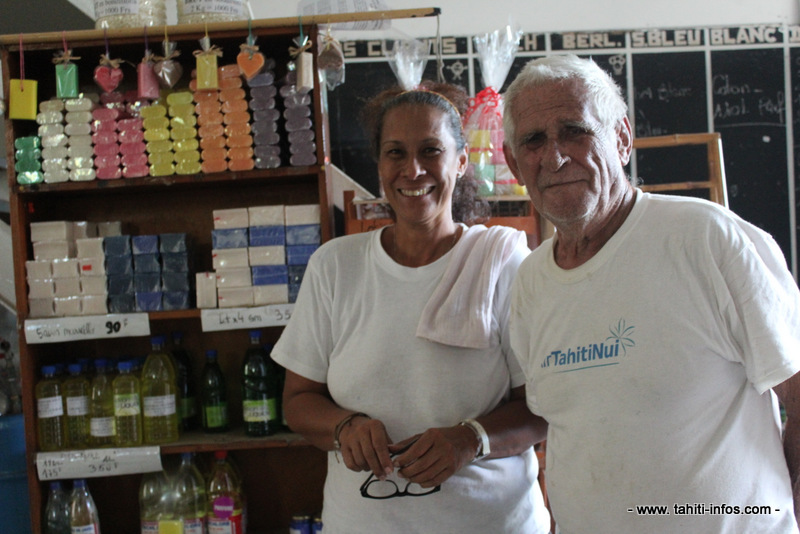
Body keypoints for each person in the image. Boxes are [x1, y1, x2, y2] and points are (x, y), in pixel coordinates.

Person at [502, 53, 800, 533]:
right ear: (514, 163)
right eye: (534, 140)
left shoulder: (705, 238)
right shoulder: (531, 282)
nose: (554, 157)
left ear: (621, 138)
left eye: (575, 130)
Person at [271, 81, 551, 533]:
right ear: (379, 164)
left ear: (460, 162)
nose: (413, 169)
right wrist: (345, 427)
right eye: (395, 153)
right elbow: (299, 401)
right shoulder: (335, 267)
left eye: (430, 150)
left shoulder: (501, 263)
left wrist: (471, 440)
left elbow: (541, 408)